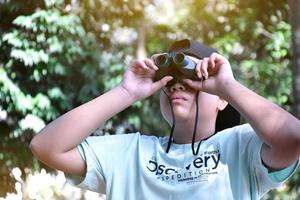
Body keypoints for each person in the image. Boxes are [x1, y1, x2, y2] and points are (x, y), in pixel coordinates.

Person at [30, 39, 300, 200]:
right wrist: (125, 92)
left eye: (193, 78)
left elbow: (293, 138)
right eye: (168, 80)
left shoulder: (240, 147)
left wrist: (228, 86)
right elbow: (46, 146)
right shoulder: (129, 154)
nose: (176, 86)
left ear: (221, 99)